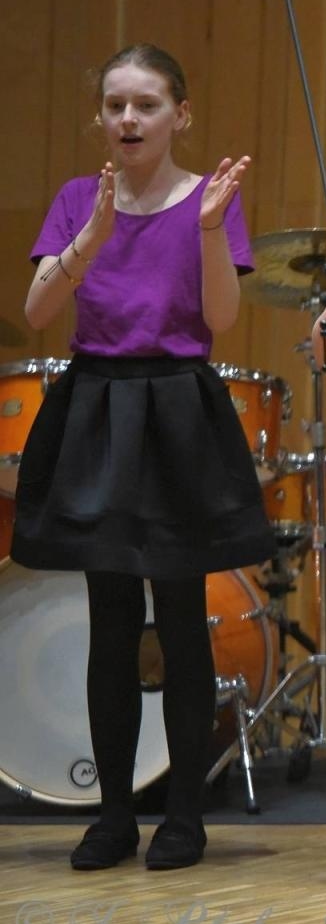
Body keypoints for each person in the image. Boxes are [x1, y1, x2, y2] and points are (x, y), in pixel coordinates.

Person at [13, 43, 274, 871]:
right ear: (101, 116)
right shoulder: (74, 200)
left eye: (147, 105)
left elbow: (223, 319)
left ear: (180, 115)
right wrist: (90, 236)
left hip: (177, 407)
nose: (129, 119)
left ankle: (185, 817)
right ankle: (114, 816)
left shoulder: (210, 200)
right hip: (97, 405)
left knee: (182, 621)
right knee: (111, 621)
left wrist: (203, 232)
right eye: (116, 105)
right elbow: (37, 309)